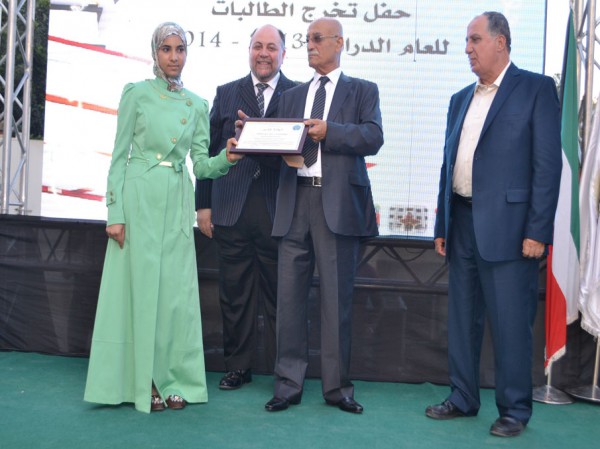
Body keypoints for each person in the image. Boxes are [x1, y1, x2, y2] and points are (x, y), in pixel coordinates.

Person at [84, 22, 242, 413]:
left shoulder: (197, 104)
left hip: (176, 200)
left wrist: (228, 156)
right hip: (138, 198)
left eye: (180, 49)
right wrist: (115, 212)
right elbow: (118, 157)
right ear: (155, 52)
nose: (174, 57)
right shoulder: (136, 94)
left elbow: (201, 165)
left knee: (174, 296)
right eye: (166, 49)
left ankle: (175, 379)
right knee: (140, 292)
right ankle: (145, 381)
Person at [426, 12, 561, 436]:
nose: (467, 48)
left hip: (512, 230)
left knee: (510, 324)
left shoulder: (536, 89)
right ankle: (463, 397)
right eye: (467, 41)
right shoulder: (459, 99)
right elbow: (449, 165)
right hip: (462, 223)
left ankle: (515, 410)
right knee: (462, 321)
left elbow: (547, 167)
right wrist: (442, 223)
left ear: (500, 42)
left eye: (475, 39)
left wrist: (538, 231)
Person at [263, 17, 384, 414]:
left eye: (317, 39)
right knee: (289, 301)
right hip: (294, 200)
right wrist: (254, 135)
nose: (310, 45)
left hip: (337, 206)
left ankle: (337, 389)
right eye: (307, 39)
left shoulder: (363, 90)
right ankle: (287, 385)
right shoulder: (292, 95)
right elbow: (277, 142)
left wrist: (330, 131)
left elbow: (373, 137)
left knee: (335, 302)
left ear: (339, 43)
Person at [194, 25, 296, 390]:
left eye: (271, 47)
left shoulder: (297, 94)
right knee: (234, 294)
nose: (263, 53)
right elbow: (207, 153)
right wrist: (203, 206)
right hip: (230, 208)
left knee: (281, 297)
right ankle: (237, 367)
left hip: (278, 211)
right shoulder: (226, 93)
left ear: (283, 54)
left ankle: (285, 372)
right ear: (249, 50)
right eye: (257, 46)